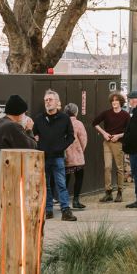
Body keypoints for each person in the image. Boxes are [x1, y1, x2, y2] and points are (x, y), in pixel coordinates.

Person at [0, 95, 37, 198]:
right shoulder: (12, 126)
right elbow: (31, 147)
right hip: (5, 182)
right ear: (20, 113)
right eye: (24, 113)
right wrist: (29, 130)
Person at [33, 90, 77, 222]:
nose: (48, 102)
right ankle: (48, 210)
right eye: (46, 100)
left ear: (57, 102)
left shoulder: (64, 118)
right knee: (45, 185)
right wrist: (39, 145)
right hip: (43, 157)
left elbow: (71, 136)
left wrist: (61, 147)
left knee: (61, 184)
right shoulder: (39, 119)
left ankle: (65, 210)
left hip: (58, 157)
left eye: (50, 100)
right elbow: (34, 135)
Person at [92, 93, 130, 203]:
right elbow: (94, 123)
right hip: (107, 142)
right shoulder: (106, 113)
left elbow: (129, 131)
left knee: (119, 168)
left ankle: (119, 192)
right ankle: (108, 192)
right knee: (107, 167)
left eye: (116, 100)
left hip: (118, 143)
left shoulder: (125, 115)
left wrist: (118, 135)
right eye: (112, 100)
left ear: (120, 102)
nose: (114, 102)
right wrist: (104, 133)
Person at [64, 103, 88, 210]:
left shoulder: (61, 122)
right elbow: (83, 139)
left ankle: (63, 202)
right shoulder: (78, 123)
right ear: (75, 112)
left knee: (65, 180)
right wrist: (80, 150)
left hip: (64, 156)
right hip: (77, 157)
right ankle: (76, 200)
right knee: (79, 178)